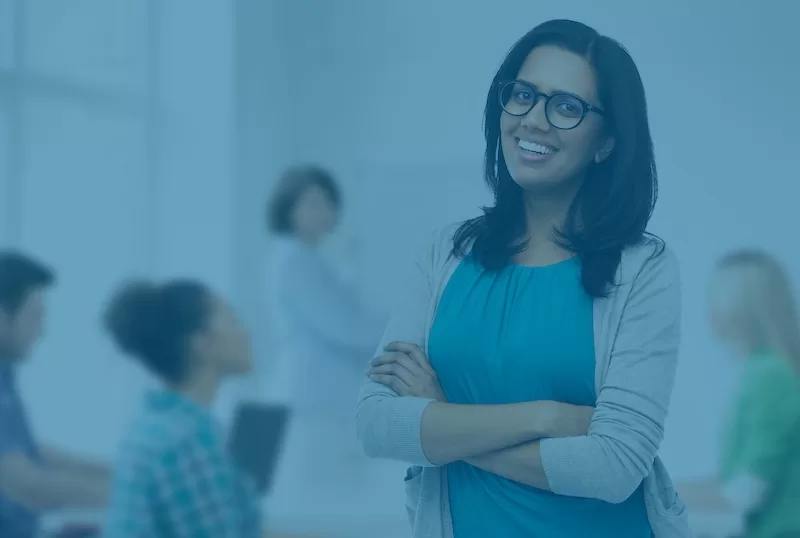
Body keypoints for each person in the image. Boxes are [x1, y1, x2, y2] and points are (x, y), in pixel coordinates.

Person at [357, 19, 688, 538]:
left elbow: (613, 469)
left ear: (605, 143)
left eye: (566, 107)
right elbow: (377, 426)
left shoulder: (644, 269)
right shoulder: (444, 254)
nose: (534, 120)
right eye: (524, 95)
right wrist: (548, 417)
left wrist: (443, 421)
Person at [102, 279, 262, 538]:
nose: (246, 333)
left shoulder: (153, 426)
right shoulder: (190, 442)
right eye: (233, 321)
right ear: (202, 342)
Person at [679, 250, 800, 538]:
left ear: (740, 309)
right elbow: (734, 480)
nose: (709, 310)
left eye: (715, 297)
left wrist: (653, 493)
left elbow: (744, 492)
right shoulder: (765, 371)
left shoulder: (770, 377)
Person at [0, 251, 110, 538]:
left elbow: (32, 453)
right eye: (34, 317)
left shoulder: (5, 375)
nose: (42, 331)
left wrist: (126, 474)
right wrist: (131, 497)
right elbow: (27, 486)